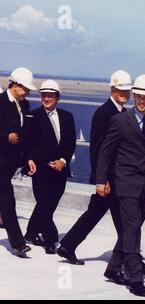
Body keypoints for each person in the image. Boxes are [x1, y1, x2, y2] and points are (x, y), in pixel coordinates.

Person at [95, 74, 145, 297]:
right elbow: (105, 151)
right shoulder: (120, 121)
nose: (141, 100)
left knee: (131, 228)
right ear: (134, 95)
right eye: (138, 96)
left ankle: (113, 268)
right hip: (124, 182)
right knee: (133, 230)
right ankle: (134, 279)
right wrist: (100, 180)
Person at [57, 70, 136, 270]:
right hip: (109, 178)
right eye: (120, 90)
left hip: (117, 176)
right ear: (112, 89)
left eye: (127, 90)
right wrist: (102, 179)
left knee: (118, 219)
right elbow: (98, 148)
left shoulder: (122, 112)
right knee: (121, 220)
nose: (124, 94)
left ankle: (69, 245)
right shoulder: (105, 112)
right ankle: (131, 257)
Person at [23, 80, 76, 254]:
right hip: (40, 169)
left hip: (60, 169)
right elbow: (27, 143)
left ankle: (31, 232)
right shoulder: (33, 116)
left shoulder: (67, 116)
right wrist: (30, 160)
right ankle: (51, 240)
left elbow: (71, 143)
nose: (46, 98)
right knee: (45, 202)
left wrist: (63, 160)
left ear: (57, 97)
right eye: (43, 95)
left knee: (49, 204)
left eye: (50, 95)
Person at [0, 67, 36, 257]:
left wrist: (28, 157)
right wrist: (6, 137)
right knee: (7, 200)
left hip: (12, 162)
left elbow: (26, 135)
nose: (28, 92)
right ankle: (18, 243)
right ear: (14, 85)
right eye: (26, 88)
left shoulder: (26, 105)